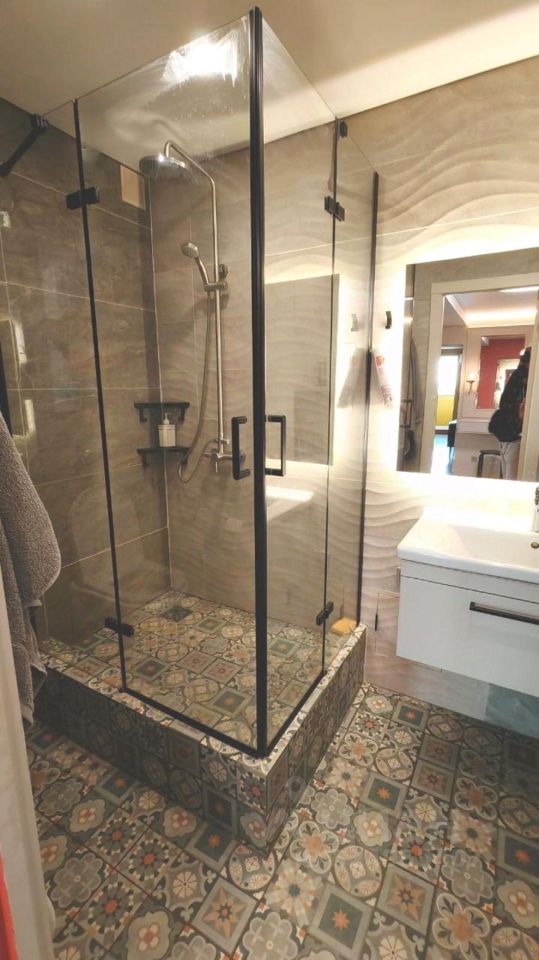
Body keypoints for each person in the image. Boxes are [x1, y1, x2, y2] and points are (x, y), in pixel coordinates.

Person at [488, 347, 531, 480]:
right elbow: (519, 409)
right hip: (514, 435)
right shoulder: (525, 380)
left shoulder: (516, 377)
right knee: (512, 480)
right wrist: (520, 415)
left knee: (508, 478)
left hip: (506, 435)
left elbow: (504, 404)